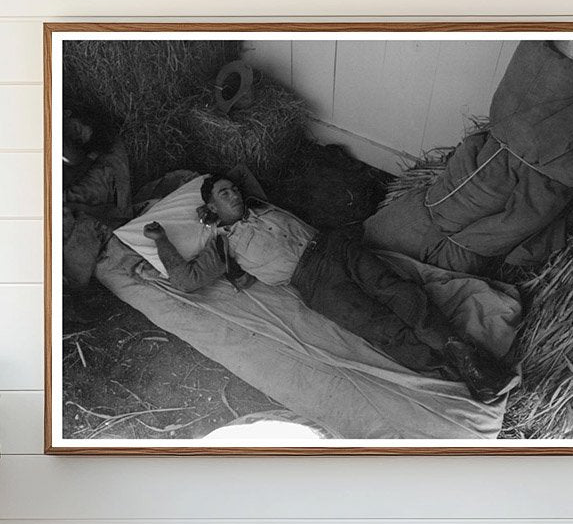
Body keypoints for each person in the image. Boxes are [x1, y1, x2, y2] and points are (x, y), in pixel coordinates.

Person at [142, 169, 513, 402]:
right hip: (313, 281)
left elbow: (240, 174)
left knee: (399, 290)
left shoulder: (260, 204)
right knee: (379, 326)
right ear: (210, 207)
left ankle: (466, 355)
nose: (235, 194)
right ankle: (456, 372)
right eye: (225, 194)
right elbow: (186, 280)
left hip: (334, 246)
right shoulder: (222, 245)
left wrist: (223, 193)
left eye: (234, 189)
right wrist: (161, 240)